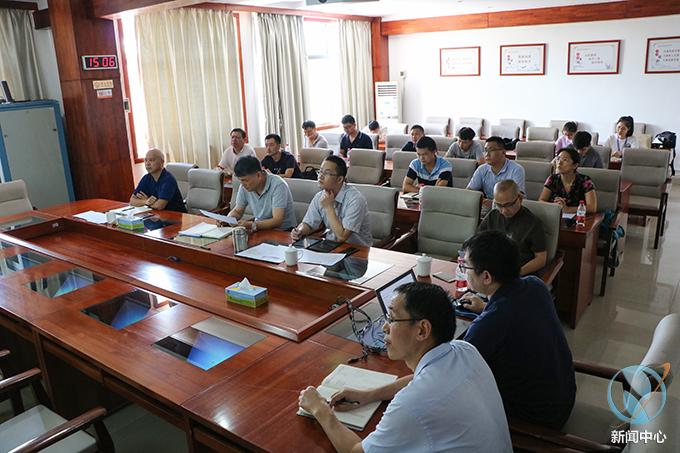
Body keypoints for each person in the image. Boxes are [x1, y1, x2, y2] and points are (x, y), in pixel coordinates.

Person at [299, 282, 513, 453]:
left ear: (422, 330)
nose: (384, 328)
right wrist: (370, 394)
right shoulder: (464, 350)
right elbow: (421, 379)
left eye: (392, 319)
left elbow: (356, 451)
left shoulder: (411, 404)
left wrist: (320, 409)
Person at [458, 230, 576, 430]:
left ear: (486, 276)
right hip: (562, 397)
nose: (463, 269)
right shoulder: (536, 285)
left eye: (466, 265)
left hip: (536, 418)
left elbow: (455, 373)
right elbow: (515, 313)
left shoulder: (488, 325)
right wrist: (486, 307)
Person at [291, 155, 372, 246]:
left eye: (327, 173)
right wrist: (299, 231)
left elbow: (342, 237)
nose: (320, 176)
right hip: (331, 246)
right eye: (320, 171)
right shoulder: (320, 196)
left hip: (357, 249)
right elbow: (308, 224)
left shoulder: (355, 199)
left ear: (339, 179)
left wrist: (329, 207)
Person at [479, 179, 546, 276]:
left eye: (508, 205)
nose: (504, 210)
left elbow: (541, 259)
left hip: (520, 273)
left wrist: (516, 273)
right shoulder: (492, 216)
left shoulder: (534, 224)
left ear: (520, 199)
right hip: (493, 270)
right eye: (499, 205)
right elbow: (477, 242)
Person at [226, 156, 297, 232]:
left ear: (258, 175)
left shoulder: (278, 185)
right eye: (240, 180)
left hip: (283, 232)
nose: (242, 184)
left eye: (245, 180)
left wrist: (251, 225)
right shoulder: (244, 186)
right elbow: (238, 211)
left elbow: (277, 221)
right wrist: (228, 219)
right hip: (259, 229)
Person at [539, 147, 597, 214]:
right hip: (557, 216)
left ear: (575, 165)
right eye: (558, 159)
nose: (559, 162)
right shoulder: (552, 179)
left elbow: (592, 207)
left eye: (565, 160)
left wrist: (567, 209)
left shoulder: (585, 181)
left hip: (579, 217)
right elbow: (541, 201)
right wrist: (555, 206)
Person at [467, 136, 525, 201]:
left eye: (491, 150)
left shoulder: (516, 170)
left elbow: (516, 198)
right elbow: (469, 192)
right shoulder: (482, 169)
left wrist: (489, 203)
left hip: (510, 205)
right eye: (486, 151)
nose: (487, 154)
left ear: (503, 152)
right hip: (488, 205)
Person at [130, 148, 186, 213]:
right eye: (146, 160)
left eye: (152, 160)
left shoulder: (168, 179)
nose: (147, 163)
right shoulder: (146, 178)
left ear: (162, 162)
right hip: (157, 215)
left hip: (176, 215)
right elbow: (132, 200)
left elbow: (159, 206)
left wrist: (147, 202)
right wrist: (146, 201)